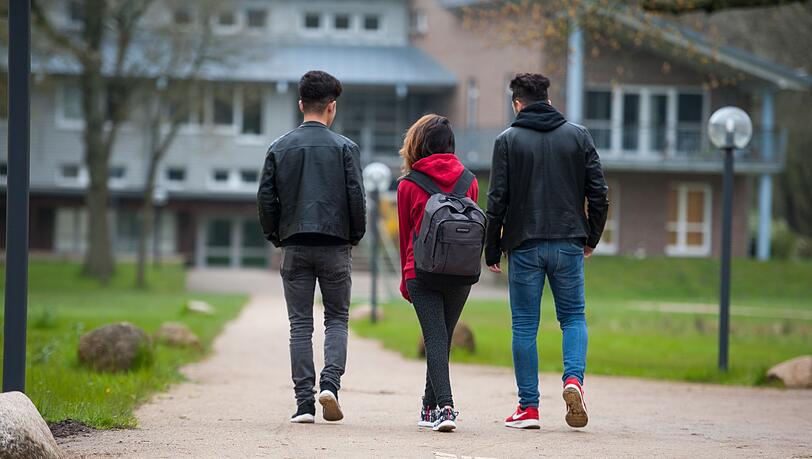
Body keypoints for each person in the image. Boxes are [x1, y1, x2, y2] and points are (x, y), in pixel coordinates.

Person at [485, 73, 609, 429]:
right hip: (569, 242)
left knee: (524, 325)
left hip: (524, 245)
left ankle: (528, 408)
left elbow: (497, 201)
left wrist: (492, 248)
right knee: (572, 317)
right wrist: (591, 237)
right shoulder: (578, 135)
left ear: (517, 104)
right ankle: (573, 381)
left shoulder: (507, 140)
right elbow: (599, 192)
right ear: (549, 101)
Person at [257, 70, 366, 424]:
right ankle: (330, 385)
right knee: (337, 318)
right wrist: (354, 236)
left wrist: (277, 235)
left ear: (301, 104)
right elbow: (356, 199)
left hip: (295, 244)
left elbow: (266, 200)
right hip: (335, 245)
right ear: (331, 107)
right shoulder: (346, 149)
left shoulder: (278, 147)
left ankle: (304, 403)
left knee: (299, 325)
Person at [397, 114, 480, 432]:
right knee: (440, 339)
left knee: (435, 338)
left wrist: (406, 281)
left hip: (423, 272)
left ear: (419, 144)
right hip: (461, 273)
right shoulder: (469, 180)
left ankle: (445, 407)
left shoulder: (408, 185)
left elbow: (406, 237)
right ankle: (427, 406)